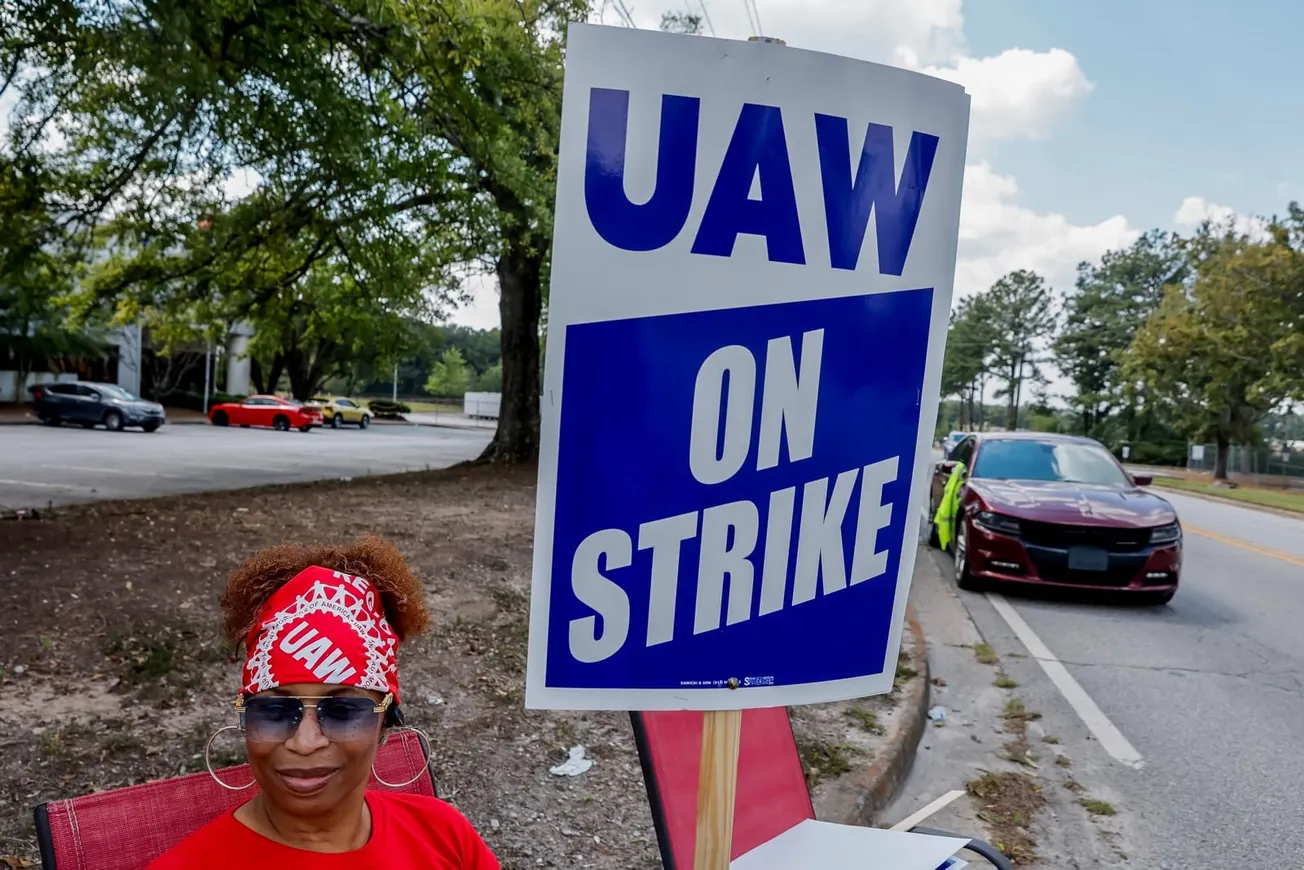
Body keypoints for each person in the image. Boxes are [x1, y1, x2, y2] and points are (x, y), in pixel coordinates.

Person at [148, 536, 499, 869]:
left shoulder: (445, 836)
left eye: (343, 711)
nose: (304, 742)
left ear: (385, 723)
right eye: (274, 710)